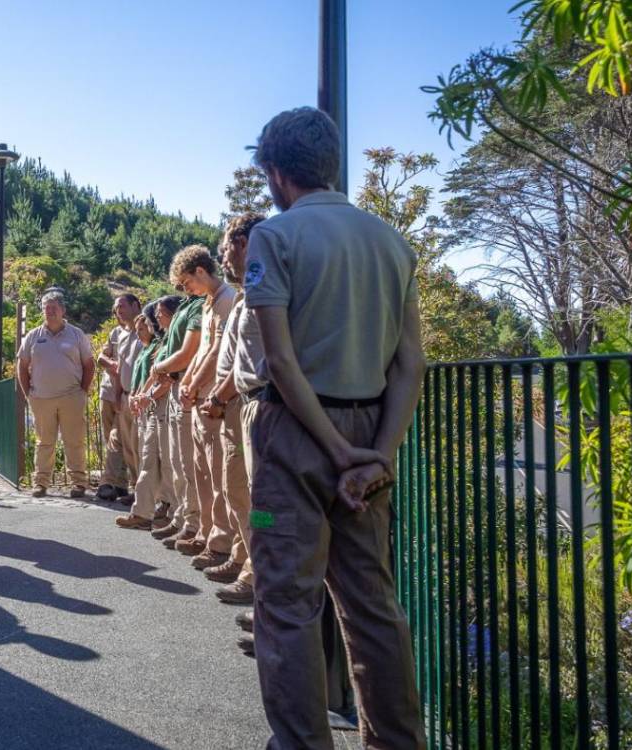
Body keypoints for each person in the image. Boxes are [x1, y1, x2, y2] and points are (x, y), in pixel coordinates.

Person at [244, 106, 426, 749]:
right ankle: (398, 741)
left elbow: (281, 361)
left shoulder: (275, 237)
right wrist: (377, 455)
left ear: (275, 171)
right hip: (371, 426)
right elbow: (411, 363)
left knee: (287, 605)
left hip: (298, 433)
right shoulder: (390, 241)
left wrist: (334, 448)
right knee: (371, 601)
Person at [199, 213, 266, 607]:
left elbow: (254, 359)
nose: (224, 258)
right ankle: (245, 560)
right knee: (236, 489)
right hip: (239, 405)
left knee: (254, 498)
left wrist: (219, 394)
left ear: (242, 244)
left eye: (225, 249)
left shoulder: (262, 289)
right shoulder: (245, 294)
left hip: (253, 404)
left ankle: (258, 575)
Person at [177, 246, 238, 570]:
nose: (187, 290)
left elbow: (217, 352)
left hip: (216, 399)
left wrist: (195, 383)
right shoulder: (208, 304)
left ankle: (222, 542)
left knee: (220, 478)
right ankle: (206, 532)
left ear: (201, 271)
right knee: (201, 472)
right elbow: (203, 350)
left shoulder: (228, 299)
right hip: (200, 398)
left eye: (187, 282)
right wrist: (188, 382)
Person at [146, 250, 207, 551]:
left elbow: (190, 350)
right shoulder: (188, 305)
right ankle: (183, 516)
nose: (183, 289)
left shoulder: (199, 306)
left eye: (185, 283)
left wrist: (161, 368)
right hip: (175, 385)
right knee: (175, 461)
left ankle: (194, 522)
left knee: (187, 462)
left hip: (185, 385)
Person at [17, 290, 95, 498]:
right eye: (45, 308)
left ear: (63, 310)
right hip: (41, 398)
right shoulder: (33, 336)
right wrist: (28, 394)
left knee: (75, 440)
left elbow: (89, 364)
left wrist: (82, 391)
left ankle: (78, 483)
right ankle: (40, 483)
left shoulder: (77, 334)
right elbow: (22, 365)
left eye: (53, 307)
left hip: (72, 396)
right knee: (44, 442)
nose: (49, 311)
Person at [114, 297, 178, 529]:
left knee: (168, 463)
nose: (155, 321)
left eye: (158, 316)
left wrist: (146, 396)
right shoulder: (159, 345)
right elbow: (152, 375)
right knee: (148, 461)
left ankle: (171, 511)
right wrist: (140, 395)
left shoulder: (164, 344)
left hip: (162, 406)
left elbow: (168, 377)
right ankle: (143, 511)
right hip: (150, 406)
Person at [95, 293, 140, 502]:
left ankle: (113, 482)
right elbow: (101, 356)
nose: (118, 311)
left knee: (126, 440)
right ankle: (120, 485)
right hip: (109, 393)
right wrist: (111, 364)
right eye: (115, 309)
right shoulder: (116, 333)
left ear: (135, 305)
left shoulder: (145, 330)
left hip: (130, 395)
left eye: (121, 306)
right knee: (114, 439)